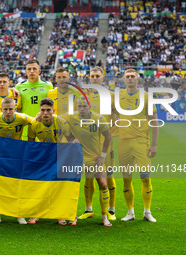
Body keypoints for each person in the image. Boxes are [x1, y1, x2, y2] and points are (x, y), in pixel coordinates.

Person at [117, 69, 159, 223]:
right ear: (123, 79)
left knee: (145, 178)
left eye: (132, 77)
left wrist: (153, 145)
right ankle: (130, 212)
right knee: (126, 179)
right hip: (124, 142)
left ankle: (147, 212)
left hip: (141, 142)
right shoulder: (117, 96)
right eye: (127, 77)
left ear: (137, 79)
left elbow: (154, 122)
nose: (129, 79)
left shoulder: (146, 97)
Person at [64, 97, 112, 227]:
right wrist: (71, 138)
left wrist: (102, 156)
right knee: (72, 187)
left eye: (84, 106)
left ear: (89, 106)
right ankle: (72, 216)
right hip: (77, 159)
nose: (82, 109)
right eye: (79, 106)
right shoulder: (71, 117)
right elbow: (56, 119)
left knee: (103, 184)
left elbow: (108, 136)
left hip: (95, 159)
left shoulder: (99, 119)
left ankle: (104, 216)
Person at [26, 98, 75, 225]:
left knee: (60, 187)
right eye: (43, 110)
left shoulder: (61, 122)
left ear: (53, 111)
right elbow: (31, 143)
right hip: (43, 158)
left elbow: (71, 139)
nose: (46, 113)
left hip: (60, 157)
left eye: (48, 110)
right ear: (39, 111)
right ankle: (35, 214)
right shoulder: (34, 124)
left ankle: (61, 215)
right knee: (39, 186)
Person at [78, 67, 117, 221]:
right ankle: (88, 209)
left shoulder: (111, 96)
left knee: (108, 176)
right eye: (92, 76)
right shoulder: (82, 96)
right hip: (88, 145)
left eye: (97, 76)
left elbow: (121, 118)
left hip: (105, 145)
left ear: (103, 77)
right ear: (89, 77)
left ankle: (111, 211)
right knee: (88, 177)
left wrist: (110, 132)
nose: (94, 78)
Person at [0, 97, 33, 224]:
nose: (8, 112)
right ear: (1, 109)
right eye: (5, 109)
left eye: (10, 109)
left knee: (18, 185)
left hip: (17, 156)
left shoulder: (22, 118)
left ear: (15, 109)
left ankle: (19, 214)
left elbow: (35, 122)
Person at [15, 59, 53, 140]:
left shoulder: (48, 85)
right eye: (29, 69)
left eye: (34, 69)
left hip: (43, 127)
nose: (32, 71)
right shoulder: (19, 86)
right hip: (26, 127)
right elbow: (17, 106)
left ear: (39, 71)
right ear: (26, 72)